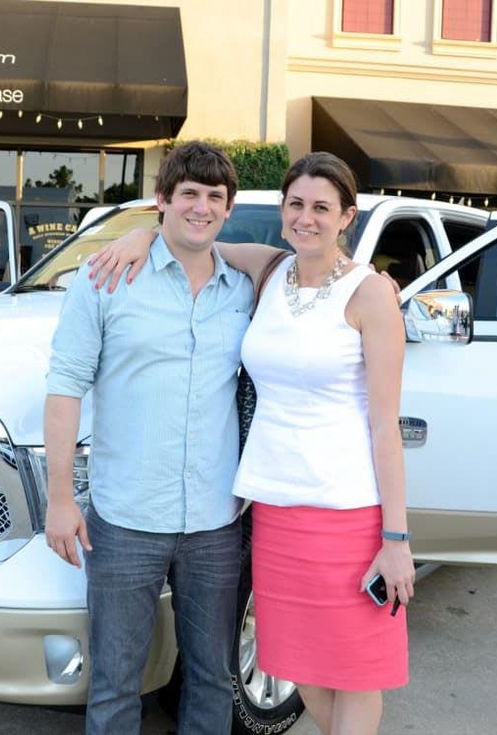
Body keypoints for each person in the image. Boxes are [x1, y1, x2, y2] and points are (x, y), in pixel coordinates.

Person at [90, 152, 415, 734]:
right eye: (296, 204)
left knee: (355, 671)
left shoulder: (370, 295)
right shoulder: (269, 270)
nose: (306, 218)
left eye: (322, 208)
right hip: (276, 510)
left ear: (347, 217)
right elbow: (197, 239)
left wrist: (395, 539)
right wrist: (143, 233)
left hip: (346, 512)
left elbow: (384, 425)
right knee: (300, 667)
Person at [43, 141, 252, 734]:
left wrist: (370, 282)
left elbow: (305, 268)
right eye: (189, 194)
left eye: (214, 197)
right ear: (161, 199)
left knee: (212, 677)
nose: (201, 207)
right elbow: (64, 389)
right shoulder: (106, 279)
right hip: (125, 519)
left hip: (215, 521)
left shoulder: (244, 290)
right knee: (115, 684)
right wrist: (60, 499)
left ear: (228, 208)